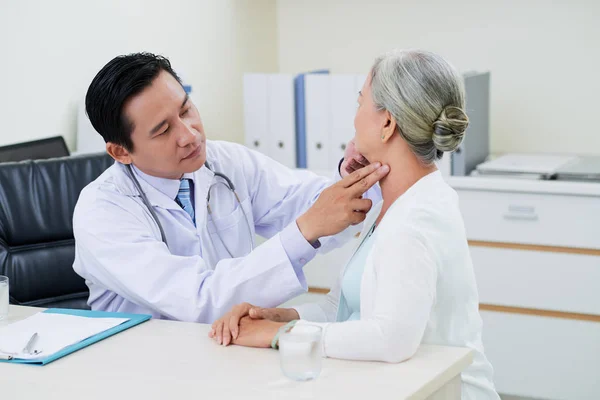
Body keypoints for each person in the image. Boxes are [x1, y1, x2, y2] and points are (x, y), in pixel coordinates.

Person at [210, 49, 500, 399]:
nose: (354, 118)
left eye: (360, 102)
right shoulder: (399, 203)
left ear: (388, 124)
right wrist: (275, 317)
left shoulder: (413, 221)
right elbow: (343, 309)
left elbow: (391, 339)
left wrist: (280, 336)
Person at [72, 52, 387, 323]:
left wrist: (351, 178)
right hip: (141, 367)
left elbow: (310, 206)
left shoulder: (225, 162)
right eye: (164, 130)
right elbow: (197, 303)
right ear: (121, 152)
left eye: (185, 110)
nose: (190, 135)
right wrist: (304, 230)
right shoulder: (102, 212)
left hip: (232, 346)